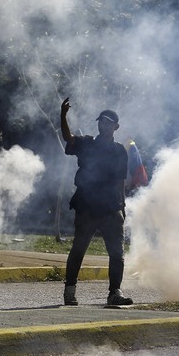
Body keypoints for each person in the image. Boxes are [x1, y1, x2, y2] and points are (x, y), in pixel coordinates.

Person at [60, 97, 132, 306]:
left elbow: (121, 181)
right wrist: (63, 116)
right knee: (79, 249)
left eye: (108, 122)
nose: (103, 125)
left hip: (111, 207)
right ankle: (70, 290)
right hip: (87, 205)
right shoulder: (87, 143)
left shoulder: (119, 151)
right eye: (100, 121)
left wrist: (123, 206)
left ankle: (114, 292)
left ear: (116, 127)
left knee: (117, 253)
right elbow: (68, 137)